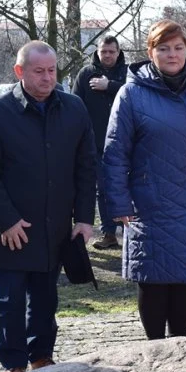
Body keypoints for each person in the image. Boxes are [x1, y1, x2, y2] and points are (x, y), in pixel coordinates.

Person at [102, 19, 186, 340]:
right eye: (163, 48)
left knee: (185, 279)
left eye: (178, 48)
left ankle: (183, 352)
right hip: (150, 205)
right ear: (151, 52)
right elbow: (115, 154)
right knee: (153, 279)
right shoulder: (131, 95)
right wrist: (119, 202)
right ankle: (155, 350)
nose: (172, 54)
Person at [0, 41, 96, 372]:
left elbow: (86, 166)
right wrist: (7, 220)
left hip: (53, 226)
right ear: (19, 71)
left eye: (52, 70)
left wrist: (84, 218)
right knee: (9, 302)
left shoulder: (73, 108)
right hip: (9, 229)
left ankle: (42, 356)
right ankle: (14, 366)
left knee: (44, 300)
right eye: (38, 71)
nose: (47, 78)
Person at [72, 34, 128, 250]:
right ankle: (109, 233)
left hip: (125, 142)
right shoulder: (86, 73)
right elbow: (75, 105)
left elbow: (137, 95)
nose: (107, 55)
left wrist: (110, 86)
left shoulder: (127, 73)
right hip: (95, 143)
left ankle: (130, 231)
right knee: (103, 189)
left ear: (118, 52)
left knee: (127, 188)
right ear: (97, 51)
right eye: (103, 51)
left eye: (111, 51)